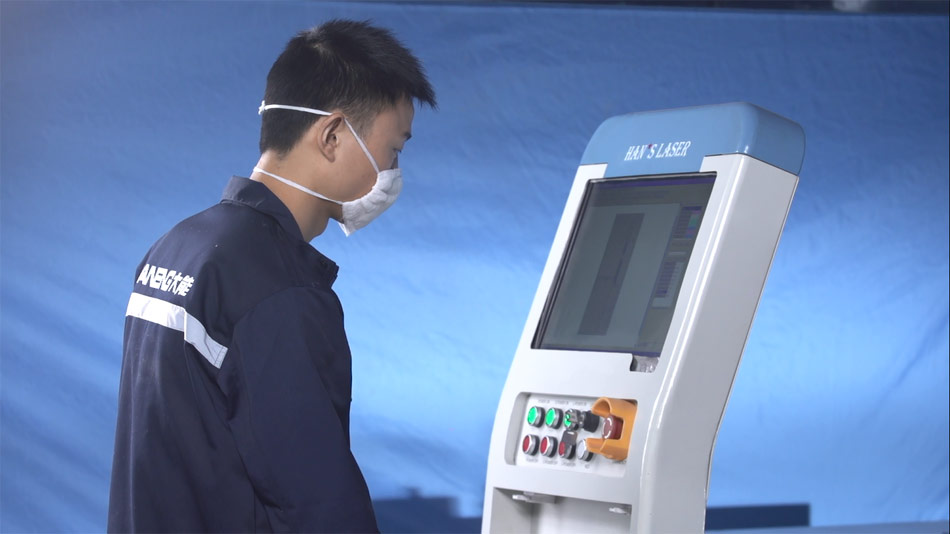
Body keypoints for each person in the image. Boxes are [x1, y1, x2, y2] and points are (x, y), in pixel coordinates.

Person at [108, 19, 436, 532]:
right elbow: (317, 504)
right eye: (393, 149)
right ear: (332, 135)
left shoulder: (175, 247)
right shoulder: (278, 289)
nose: (393, 172)